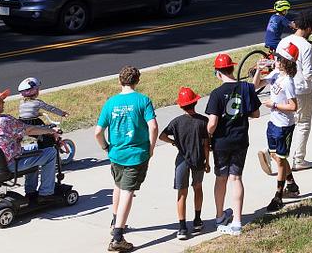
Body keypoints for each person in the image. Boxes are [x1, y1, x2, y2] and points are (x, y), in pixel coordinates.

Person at [96, 65, 158, 252]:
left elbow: (98, 132)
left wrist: (106, 147)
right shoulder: (143, 100)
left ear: (119, 81)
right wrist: (151, 147)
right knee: (127, 192)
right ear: (137, 81)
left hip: (116, 154)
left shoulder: (110, 103)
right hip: (136, 155)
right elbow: (153, 127)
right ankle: (118, 237)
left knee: (118, 185)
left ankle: (115, 220)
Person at [0, 86, 61, 202]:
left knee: (33, 148)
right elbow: (29, 130)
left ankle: (31, 192)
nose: (3, 102)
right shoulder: (5, 121)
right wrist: (51, 131)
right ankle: (46, 194)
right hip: (10, 165)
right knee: (50, 153)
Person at [205, 53, 259, 236]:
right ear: (232, 68)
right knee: (236, 178)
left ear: (218, 73)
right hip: (240, 140)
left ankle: (220, 216)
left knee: (221, 179)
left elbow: (212, 123)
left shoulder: (217, 94)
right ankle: (237, 221)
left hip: (221, 143)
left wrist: (207, 135)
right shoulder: (246, 88)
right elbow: (256, 114)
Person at [159, 87, 209, 240]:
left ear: (180, 105)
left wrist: (173, 142)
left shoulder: (176, 122)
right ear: (195, 102)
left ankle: (181, 227)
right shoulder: (203, 121)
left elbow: (162, 136)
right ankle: (197, 220)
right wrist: (207, 162)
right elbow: (206, 144)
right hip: (199, 159)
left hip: (182, 160)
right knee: (198, 187)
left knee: (182, 193)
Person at [277, 8, 312, 172]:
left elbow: (278, 66)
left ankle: (276, 153)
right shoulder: (307, 47)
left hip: (283, 89)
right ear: (310, 27)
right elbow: (308, 74)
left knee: (284, 124)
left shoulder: (283, 42)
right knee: (303, 124)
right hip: (301, 91)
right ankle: (299, 159)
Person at [254, 47, 299, 211]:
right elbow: (255, 86)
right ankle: (292, 185)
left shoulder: (288, 82)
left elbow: (293, 106)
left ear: (285, 62)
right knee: (275, 155)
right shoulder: (275, 75)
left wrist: (273, 104)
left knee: (280, 160)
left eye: (279, 59)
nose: (276, 60)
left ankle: (278, 196)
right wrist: (259, 70)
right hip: (273, 123)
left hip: (284, 126)